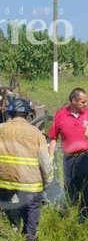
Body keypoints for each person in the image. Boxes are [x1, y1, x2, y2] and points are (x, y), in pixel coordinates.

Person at [0, 98, 53, 241]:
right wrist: (48, 179)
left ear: (10, 113)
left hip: (6, 179)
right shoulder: (36, 133)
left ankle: (12, 227)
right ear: (27, 114)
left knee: (13, 204)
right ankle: (30, 237)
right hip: (30, 181)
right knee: (32, 206)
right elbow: (45, 161)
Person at [48, 88, 88, 217]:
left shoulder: (87, 113)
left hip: (85, 157)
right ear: (73, 101)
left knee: (86, 187)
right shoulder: (60, 115)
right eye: (83, 102)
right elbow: (53, 138)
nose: (85, 104)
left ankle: (84, 216)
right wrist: (50, 158)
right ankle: (71, 215)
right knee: (70, 187)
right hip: (69, 159)